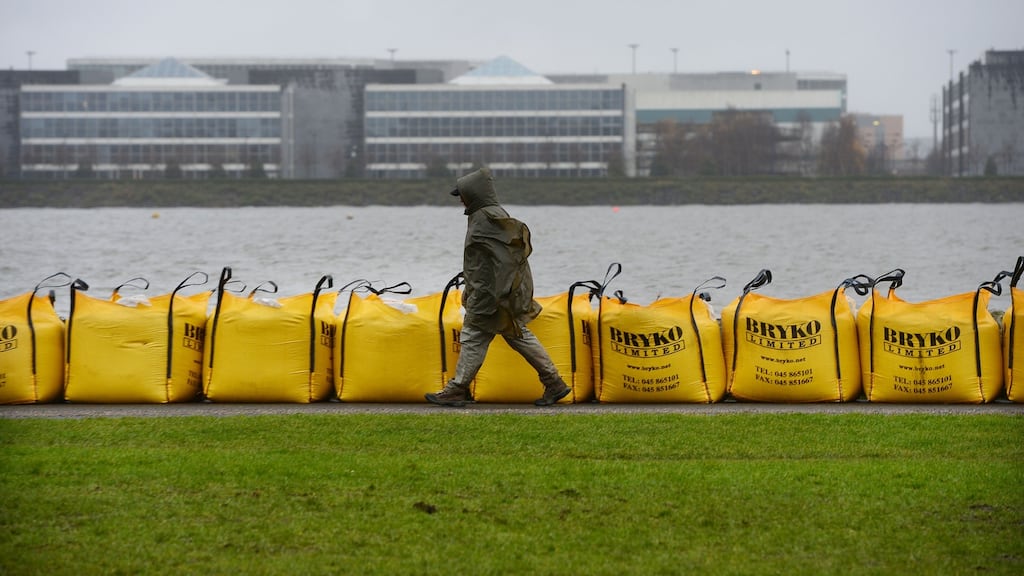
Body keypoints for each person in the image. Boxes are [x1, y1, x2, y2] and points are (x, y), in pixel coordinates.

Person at [425, 167, 572, 407]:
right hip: (495, 292)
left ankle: (457, 389)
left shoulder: (486, 218)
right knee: (517, 334)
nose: (460, 200)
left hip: (492, 295)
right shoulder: (487, 215)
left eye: (462, 195)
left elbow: (502, 262)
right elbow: (485, 259)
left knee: (474, 335)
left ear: (473, 194)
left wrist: (491, 295)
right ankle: (554, 382)